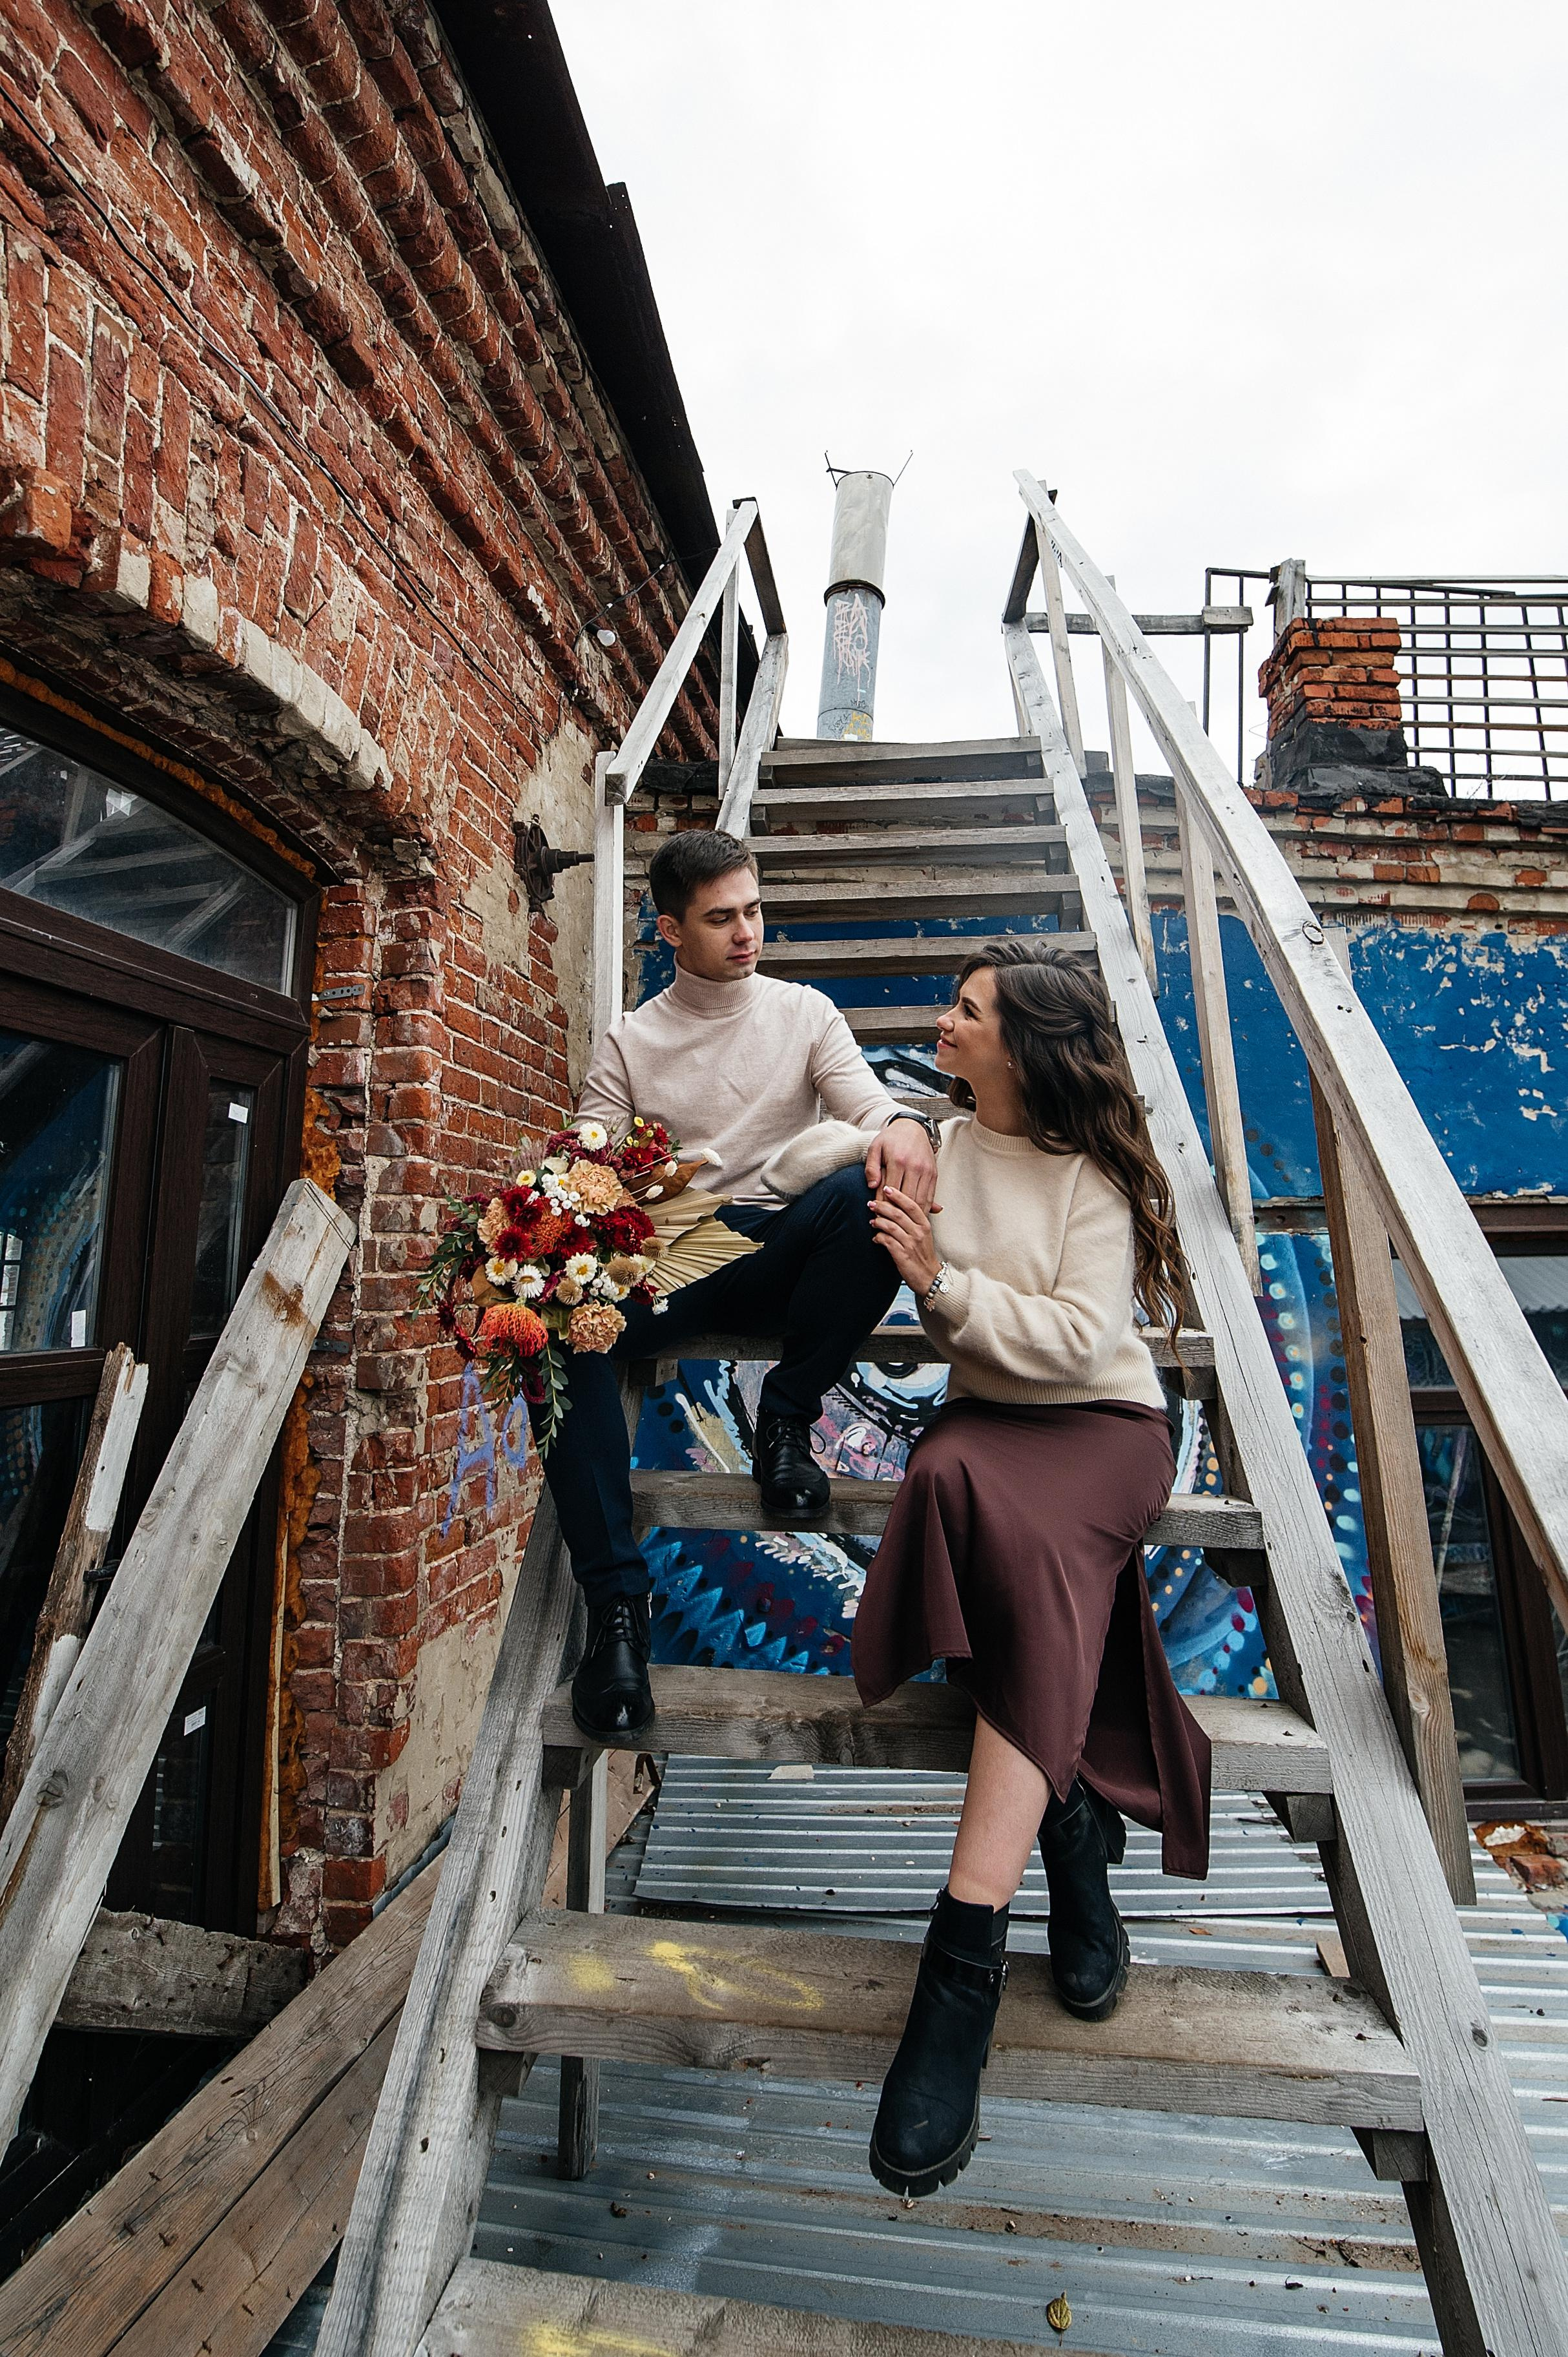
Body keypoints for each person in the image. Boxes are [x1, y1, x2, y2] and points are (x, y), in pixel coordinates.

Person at [851, 940, 1210, 2201]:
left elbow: (1073, 1341)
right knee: (945, 1480)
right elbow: (819, 1133)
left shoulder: (1090, 1176)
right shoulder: (931, 1142)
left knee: (1032, 1544)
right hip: (984, 1427)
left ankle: (958, 1966)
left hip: (1102, 1428)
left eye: (964, 1009)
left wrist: (937, 1278)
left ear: (1023, 1044)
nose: (941, 1021)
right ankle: (1068, 1833)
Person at [547, 826, 939, 1743]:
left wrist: (907, 1123)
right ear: (672, 928)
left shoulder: (804, 1014)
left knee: (864, 1188)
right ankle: (615, 1608)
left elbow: (868, 1103)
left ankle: (787, 1416)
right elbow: (585, 1164)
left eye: (754, 910)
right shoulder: (633, 1041)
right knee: (547, 1323)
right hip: (674, 1257)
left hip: (781, 1249)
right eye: (722, 917)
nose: (747, 932)